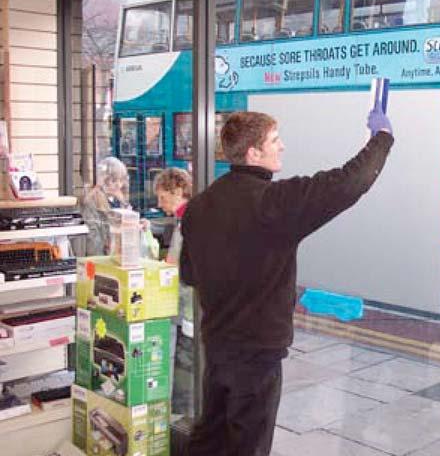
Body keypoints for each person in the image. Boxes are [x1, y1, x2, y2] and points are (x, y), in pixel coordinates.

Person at [180, 103, 393, 456]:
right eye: (275, 140)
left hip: (217, 347)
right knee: (248, 444)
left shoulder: (201, 206)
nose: (283, 146)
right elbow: (348, 183)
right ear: (253, 153)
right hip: (257, 355)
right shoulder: (274, 203)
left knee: (210, 438)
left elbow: (189, 273)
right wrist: (382, 137)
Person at [153, 167, 195, 418]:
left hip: (191, 312)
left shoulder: (188, 222)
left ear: (178, 191)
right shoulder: (186, 219)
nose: (160, 204)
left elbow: (176, 265)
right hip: (190, 312)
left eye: (162, 197)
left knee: (187, 375)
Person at [80, 156, 131, 255]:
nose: (118, 185)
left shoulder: (120, 200)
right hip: (102, 252)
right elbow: (93, 235)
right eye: (113, 181)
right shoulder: (94, 201)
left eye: (120, 181)